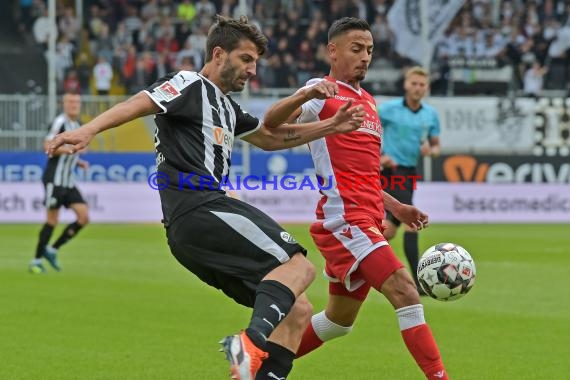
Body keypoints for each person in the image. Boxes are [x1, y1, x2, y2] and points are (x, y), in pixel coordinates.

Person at [47, 16, 365, 380]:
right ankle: (251, 340)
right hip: (199, 206)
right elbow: (142, 101)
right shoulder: (189, 83)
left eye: (256, 62)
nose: (252, 69)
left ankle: (256, 362)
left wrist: (331, 126)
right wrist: (89, 129)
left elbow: (273, 138)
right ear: (218, 53)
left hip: (189, 230)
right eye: (245, 59)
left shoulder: (228, 108)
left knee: (297, 311)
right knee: (300, 267)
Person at [261, 18, 449, 379]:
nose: (365, 57)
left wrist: (396, 207)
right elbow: (270, 123)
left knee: (338, 321)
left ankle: (254, 355)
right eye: (356, 49)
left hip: (370, 217)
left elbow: (364, 177)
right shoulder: (322, 91)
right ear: (333, 51)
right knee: (406, 292)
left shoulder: (368, 101)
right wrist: (306, 94)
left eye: (370, 50)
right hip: (346, 220)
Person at [379, 66, 441, 293]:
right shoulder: (387, 110)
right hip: (389, 170)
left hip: (409, 171)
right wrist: (380, 154)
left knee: (390, 230)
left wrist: (431, 151)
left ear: (427, 88)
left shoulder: (430, 115)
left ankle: (358, 260)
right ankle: (418, 282)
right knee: (411, 222)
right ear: (406, 84)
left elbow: (436, 146)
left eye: (421, 85)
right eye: (413, 83)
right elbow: (367, 130)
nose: (417, 88)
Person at [29, 93, 89, 274]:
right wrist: (70, 150)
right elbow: (47, 147)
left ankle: (52, 250)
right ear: (64, 104)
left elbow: (69, 152)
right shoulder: (60, 122)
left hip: (68, 181)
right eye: (70, 102)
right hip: (54, 179)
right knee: (52, 220)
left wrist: (78, 162)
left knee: (83, 217)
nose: (74, 105)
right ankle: (36, 261)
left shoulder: (78, 125)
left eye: (77, 102)